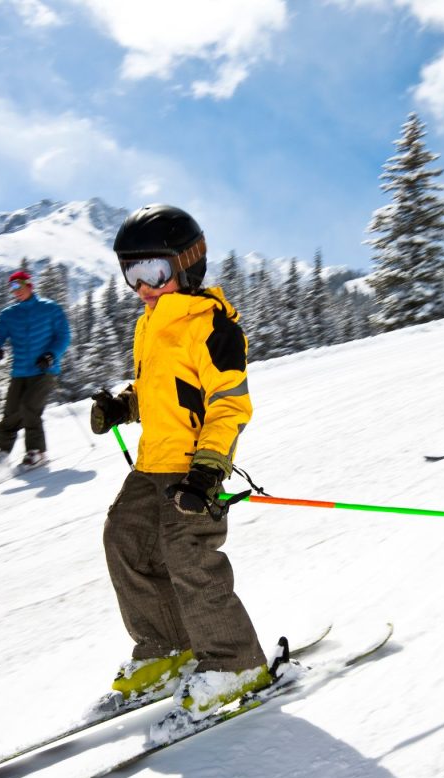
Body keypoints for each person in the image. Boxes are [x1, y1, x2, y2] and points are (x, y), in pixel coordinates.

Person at [90, 204, 269, 722]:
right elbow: (160, 391)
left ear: (187, 264)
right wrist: (124, 405)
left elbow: (228, 404)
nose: (144, 287)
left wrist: (209, 471)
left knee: (189, 558)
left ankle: (236, 661)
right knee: (124, 540)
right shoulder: (151, 323)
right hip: (152, 463)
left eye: (155, 272)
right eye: (132, 274)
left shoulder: (212, 327)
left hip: (195, 468)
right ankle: (167, 648)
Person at [0, 270, 71, 468]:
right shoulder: (9, 314)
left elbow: (64, 336)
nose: (15, 291)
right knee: (11, 412)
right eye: (12, 287)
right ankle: (4, 451)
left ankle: (36, 451)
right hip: (20, 371)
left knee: (30, 408)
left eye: (19, 286)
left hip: (44, 370)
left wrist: (50, 355)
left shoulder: (50, 309)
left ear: (29, 285)